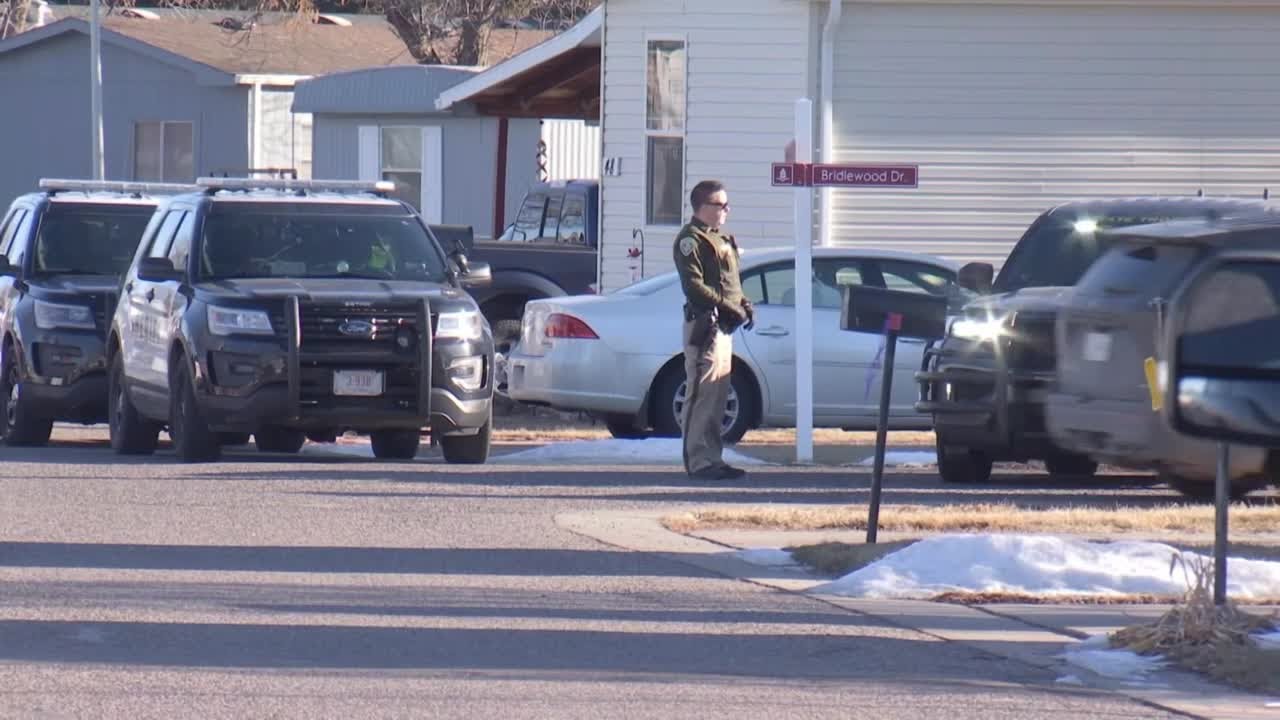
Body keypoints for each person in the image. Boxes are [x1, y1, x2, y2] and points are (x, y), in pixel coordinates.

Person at [672, 180, 754, 480]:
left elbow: (729, 281)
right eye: (721, 205)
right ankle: (697, 460)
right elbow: (693, 285)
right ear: (704, 207)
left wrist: (742, 303)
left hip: (724, 326)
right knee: (701, 395)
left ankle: (713, 457)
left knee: (718, 395)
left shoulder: (719, 239)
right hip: (705, 324)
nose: (726, 210)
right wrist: (726, 305)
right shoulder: (690, 240)